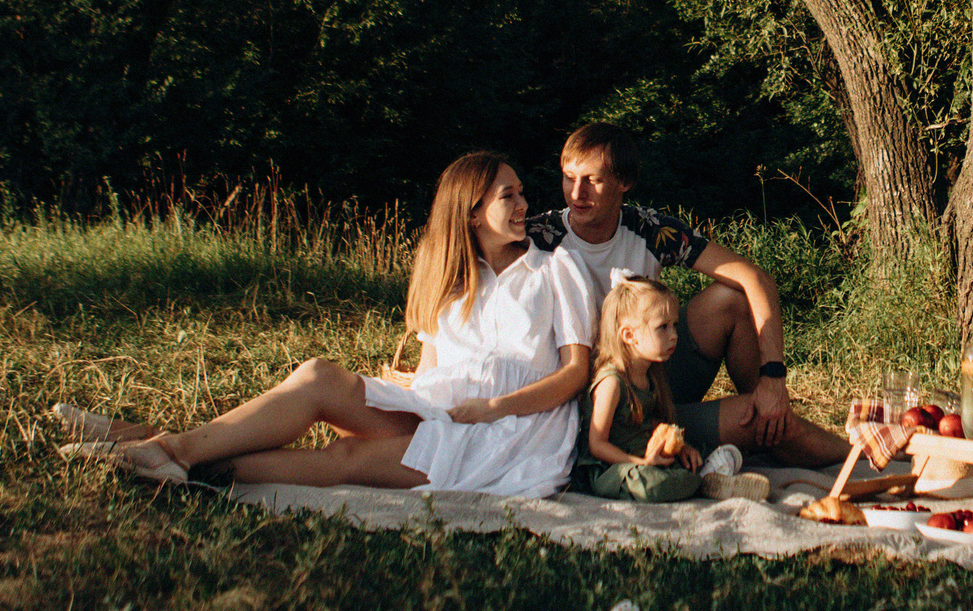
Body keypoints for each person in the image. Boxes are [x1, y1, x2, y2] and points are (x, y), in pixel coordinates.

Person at [56, 151, 595, 497]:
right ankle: (168, 449)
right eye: (509, 196)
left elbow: (575, 373)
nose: (525, 204)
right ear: (471, 212)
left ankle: (161, 448)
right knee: (317, 375)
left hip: (509, 433)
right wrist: (409, 387)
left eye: (521, 192)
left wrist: (495, 407)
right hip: (441, 409)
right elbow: (434, 366)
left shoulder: (556, 269)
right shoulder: (451, 277)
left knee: (346, 457)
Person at [530, 122, 847, 466]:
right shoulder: (539, 237)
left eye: (592, 180)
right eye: (569, 177)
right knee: (755, 422)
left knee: (732, 298)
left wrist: (773, 380)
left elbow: (756, 279)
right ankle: (789, 436)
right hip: (598, 407)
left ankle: (770, 414)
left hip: (654, 385)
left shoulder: (649, 230)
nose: (577, 192)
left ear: (625, 182)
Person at [572, 277, 703, 503]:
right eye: (663, 327)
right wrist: (639, 463)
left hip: (642, 456)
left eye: (675, 325)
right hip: (612, 467)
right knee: (648, 484)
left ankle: (702, 474)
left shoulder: (649, 374)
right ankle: (703, 480)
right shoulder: (612, 383)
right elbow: (597, 444)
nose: (674, 335)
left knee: (690, 459)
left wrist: (682, 447)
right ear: (629, 335)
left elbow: (645, 421)